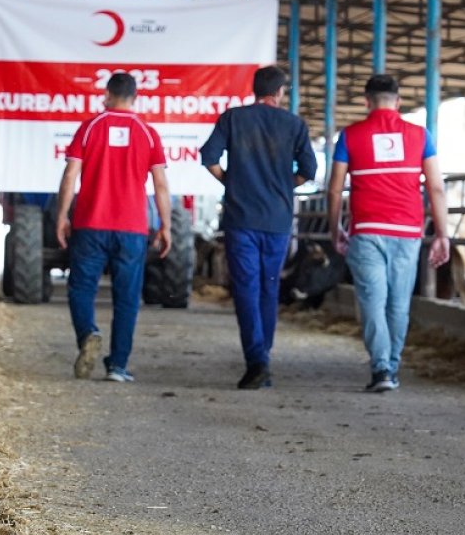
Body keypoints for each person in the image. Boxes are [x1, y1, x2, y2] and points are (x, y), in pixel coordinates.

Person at [327, 75, 450, 392]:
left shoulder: (350, 136)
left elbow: (334, 189)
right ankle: (391, 368)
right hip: (407, 231)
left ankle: (381, 369)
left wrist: (335, 227)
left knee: (371, 301)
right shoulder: (420, 136)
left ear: (367, 102)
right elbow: (436, 187)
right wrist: (442, 234)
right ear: (398, 102)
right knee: (398, 303)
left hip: (366, 230)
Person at [199, 66, 317, 390]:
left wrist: (232, 182)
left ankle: (257, 361)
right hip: (277, 221)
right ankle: (263, 355)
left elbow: (208, 157)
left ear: (254, 90)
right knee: (269, 286)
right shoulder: (294, 124)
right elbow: (309, 170)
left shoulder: (233, 118)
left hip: (242, 219)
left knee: (246, 289)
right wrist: (284, 186)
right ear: (280, 92)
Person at [55, 72, 171, 383]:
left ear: (107, 94)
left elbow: (70, 176)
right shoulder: (147, 133)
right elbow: (161, 184)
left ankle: (88, 334)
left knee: (81, 288)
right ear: (135, 97)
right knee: (127, 296)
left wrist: (62, 216)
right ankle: (117, 366)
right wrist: (165, 226)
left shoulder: (90, 127)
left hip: (91, 224)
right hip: (133, 228)